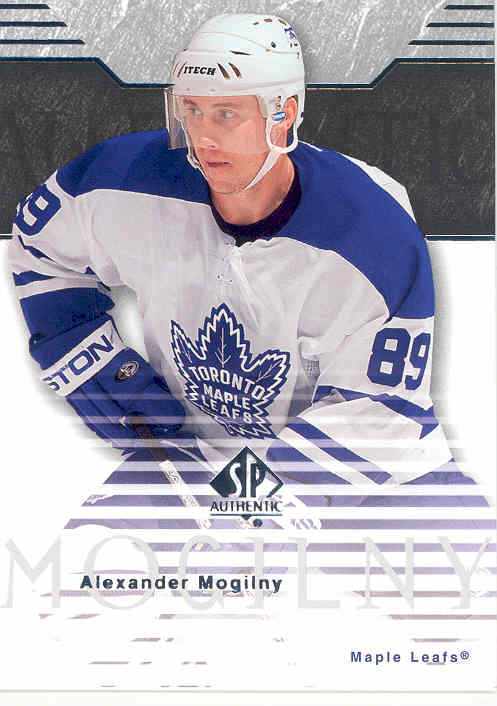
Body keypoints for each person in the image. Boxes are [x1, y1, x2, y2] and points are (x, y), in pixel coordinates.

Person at [8, 12, 474, 501]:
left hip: (383, 486)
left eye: (226, 114)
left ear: (283, 114)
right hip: (197, 465)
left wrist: (240, 503)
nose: (204, 136)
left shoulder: (372, 233)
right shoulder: (122, 180)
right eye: (192, 110)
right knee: (86, 549)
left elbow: (378, 415)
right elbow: (41, 249)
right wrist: (105, 377)